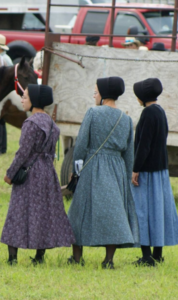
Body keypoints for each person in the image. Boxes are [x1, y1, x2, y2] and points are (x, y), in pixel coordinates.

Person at [67, 76, 140, 269]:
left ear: (103, 94)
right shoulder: (126, 119)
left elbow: (81, 144)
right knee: (114, 213)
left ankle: (77, 257)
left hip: (93, 166)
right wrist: (125, 176)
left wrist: (76, 170)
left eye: (95, 91)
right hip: (116, 167)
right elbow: (128, 152)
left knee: (79, 210)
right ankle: (108, 260)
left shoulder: (93, 113)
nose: (94, 95)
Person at [2, 84, 75, 265]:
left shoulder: (30, 123)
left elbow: (23, 153)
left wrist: (10, 174)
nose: (22, 100)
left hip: (30, 172)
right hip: (47, 173)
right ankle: (39, 257)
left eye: (25, 97)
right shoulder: (52, 125)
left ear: (34, 101)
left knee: (18, 211)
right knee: (43, 212)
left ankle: (12, 258)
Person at [131, 78, 178, 266]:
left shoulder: (147, 113)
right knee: (158, 211)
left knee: (143, 211)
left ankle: (146, 257)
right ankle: (158, 254)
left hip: (147, 172)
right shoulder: (160, 112)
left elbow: (143, 146)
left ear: (143, 97)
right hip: (161, 171)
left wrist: (135, 168)